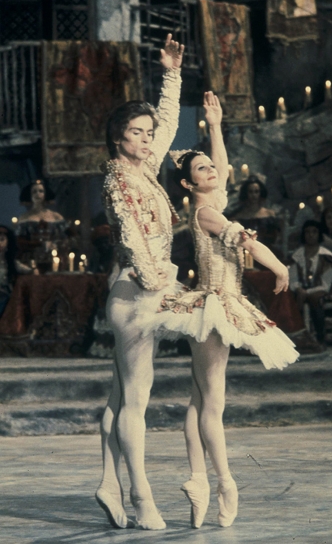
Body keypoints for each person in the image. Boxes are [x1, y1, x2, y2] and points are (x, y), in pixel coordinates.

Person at [137, 92, 299, 529]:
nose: (213, 171)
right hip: (213, 305)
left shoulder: (210, 199)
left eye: (211, 167)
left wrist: (215, 125)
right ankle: (226, 480)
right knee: (214, 402)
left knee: (198, 401)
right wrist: (279, 264)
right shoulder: (207, 213)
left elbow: (223, 167)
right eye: (202, 169)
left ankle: (196, 479)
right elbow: (247, 241)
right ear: (189, 184)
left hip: (213, 303)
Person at [95, 34, 184, 531]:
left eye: (147, 133)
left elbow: (169, 125)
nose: (147, 139)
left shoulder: (144, 168)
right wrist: (162, 288)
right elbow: (133, 239)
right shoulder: (118, 179)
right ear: (118, 137)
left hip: (140, 290)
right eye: (137, 132)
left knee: (120, 396)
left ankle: (109, 484)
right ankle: (142, 496)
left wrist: (171, 74)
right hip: (135, 292)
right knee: (136, 401)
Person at [289, 220, 332, 345]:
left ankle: (321, 338)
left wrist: (307, 292)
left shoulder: (328, 257)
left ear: (319, 234)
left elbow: (326, 284)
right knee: (292, 298)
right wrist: (299, 289)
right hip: (300, 291)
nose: (311, 235)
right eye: (307, 232)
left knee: (315, 299)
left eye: (314, 232)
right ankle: (298, 337)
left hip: (320, 290)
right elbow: (292, 279)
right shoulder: (297, 255)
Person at [16, 179, 68, 268]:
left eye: (41, 191)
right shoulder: (24, 218)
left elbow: (66, 238)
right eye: (34, 192)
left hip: (54, 258)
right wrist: (38, 244)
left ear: (45, 194)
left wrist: (55, 244)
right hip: (31, 260)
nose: (37, 194)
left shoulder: (56, 217)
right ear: (30, 195)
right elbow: (20, 242)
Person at [230, 176, 280, 251]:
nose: (254, 195)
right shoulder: (238, 216)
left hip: (268, 250)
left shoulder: (269, 214)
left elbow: (277, 237)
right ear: (246, 193)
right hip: (247, 251)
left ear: (260, 193)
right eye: (250, 192)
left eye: (256, 191)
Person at [0, 225, 38, 318]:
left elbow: (30, 271)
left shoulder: (11, 263)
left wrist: (35, 270)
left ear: (8, 242)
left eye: (2, 239)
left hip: (7, 298)